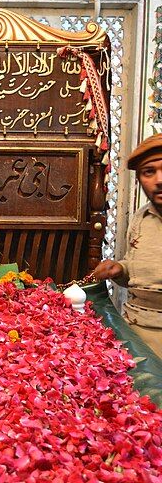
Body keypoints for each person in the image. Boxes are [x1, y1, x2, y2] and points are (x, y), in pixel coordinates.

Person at [93, 133, 162, 359]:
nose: (159, 180)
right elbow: (136, 270)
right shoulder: (141, 217)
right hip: (138, 330)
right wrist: (119, 270)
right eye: (149, 172)